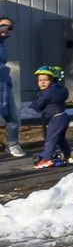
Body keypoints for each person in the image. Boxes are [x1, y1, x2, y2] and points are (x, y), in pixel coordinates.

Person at [29, 65, 73, 168]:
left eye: (45, 80)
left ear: (52, 80)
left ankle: (47, 159)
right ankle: (68, 155)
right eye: (40, 80)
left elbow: (38, 105)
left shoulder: (47, 93)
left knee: (50, 139)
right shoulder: (59, 89)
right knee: (60, 138)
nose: (42, 82)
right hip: (62, 116)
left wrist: (37, 97)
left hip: (56, 118)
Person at [0, 14, 21, 158]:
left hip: (4, 83)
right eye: (3, 26)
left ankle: (13, 145)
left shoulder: (2, 44)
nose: (7, 29)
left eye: (10, 27)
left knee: (12, 116)